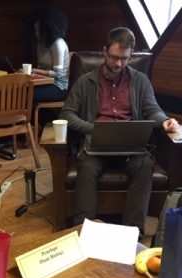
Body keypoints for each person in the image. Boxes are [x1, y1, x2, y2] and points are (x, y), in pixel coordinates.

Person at [60, 27, 179, 236]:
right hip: (96, 145)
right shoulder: (85, 81)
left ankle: (133, 232)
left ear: (131, 54)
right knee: (86, 166)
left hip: (130, 147)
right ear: (104, 51)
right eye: (114, 57)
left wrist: (165, 121)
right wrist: (95, 129)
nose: (118, 63)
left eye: (124, 58)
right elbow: (67, 114)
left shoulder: (140, 81)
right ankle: (83, 229)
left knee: (144, 165)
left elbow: (153, 109)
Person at [31, 5, 70, 103]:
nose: (36, 33)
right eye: (35, 30)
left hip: (59, 87)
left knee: (26, 94)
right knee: (22, 91)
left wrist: (34, 70)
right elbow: (41, 69)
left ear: (47, 29)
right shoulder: (41, 44)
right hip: (45, 83)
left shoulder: (58, 43)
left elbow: (58, 75)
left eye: (38, 30)